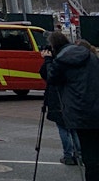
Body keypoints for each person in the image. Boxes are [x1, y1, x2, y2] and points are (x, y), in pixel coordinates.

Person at [48, 34, 99, 181]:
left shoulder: (61, 61)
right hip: (95, 107)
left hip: (80, 112)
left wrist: (47, 60)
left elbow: (51, 78)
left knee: (90, 156)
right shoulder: (92, 57)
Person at [40, 31, 80, 165]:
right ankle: (79, 154)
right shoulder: (72, 56)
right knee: (74, 128)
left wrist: (47, 60)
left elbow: (48, 75)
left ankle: (68, 155)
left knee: (63, 128)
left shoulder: (56, 60)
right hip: (72, 97)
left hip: (57, 97)